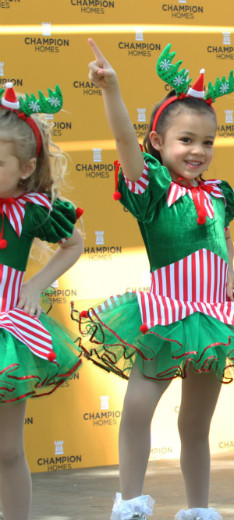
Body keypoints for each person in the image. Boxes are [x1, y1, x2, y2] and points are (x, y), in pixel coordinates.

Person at [79, 40, 234, 520]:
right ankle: (130, 502)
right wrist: (111, 90)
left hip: (214, 317)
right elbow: (123, 144)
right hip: (169, 313)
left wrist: (231, 271)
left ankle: (199, 508)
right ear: (157, 142)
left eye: (207, 142)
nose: (198, 151)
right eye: (186, 140)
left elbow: (223, 237)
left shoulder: (218, 192)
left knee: (196, 422)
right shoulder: (151, 188)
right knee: (137, 409)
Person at [0, 82, 84, 520]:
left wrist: (33, 286)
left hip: (6, 335)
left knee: (8, 448)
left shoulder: (30, 210)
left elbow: (75, 242)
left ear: (25, 167)